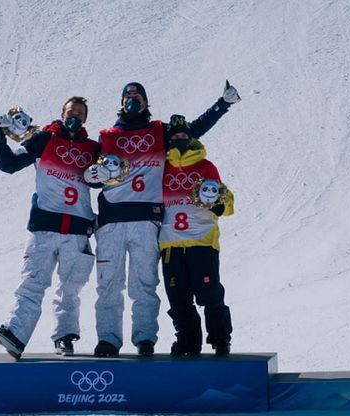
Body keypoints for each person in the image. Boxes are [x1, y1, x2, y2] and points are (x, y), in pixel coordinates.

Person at [90, 80, 240, 357]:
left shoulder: (160, 131)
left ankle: (145, 338)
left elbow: (191, 131)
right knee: (108, 283)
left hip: (148, 220)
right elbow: (91, 174)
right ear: (121, 101)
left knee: (144, 284)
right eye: (128, 96)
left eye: (138, 96)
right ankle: (108, 339)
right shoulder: (106, 136)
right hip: (112, 218)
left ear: (146, 101)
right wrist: (93, 183)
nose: (133, 100)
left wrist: (222, 106)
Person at [0, 97, 99, 359]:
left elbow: (103, 181)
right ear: (62, 113)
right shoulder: (44, 139)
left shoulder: (93, 149)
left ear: (85, 119)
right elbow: (10, 164)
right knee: (32, 282)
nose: (75, 116)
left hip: (77, 230)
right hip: (44, 228)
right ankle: (16, 334)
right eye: (71, 111)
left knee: (70, 288)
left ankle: (65, 336)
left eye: (80, 113)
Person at [159, 115, 234, 356]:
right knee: (179, 300)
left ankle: (220, 339)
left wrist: (219, 205)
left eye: (183, 136)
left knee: (210, 295)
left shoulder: (205, 166)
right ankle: (187, 342)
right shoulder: (162, 168)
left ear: (191, 139)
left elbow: (225, 198)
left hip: (202, 242)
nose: (179, 140)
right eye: (175, 137)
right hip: (171, 244)